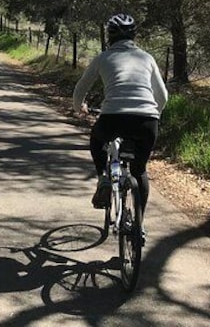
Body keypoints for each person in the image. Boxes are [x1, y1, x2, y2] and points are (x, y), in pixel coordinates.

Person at [72, 13, 168, 225]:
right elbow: (162, 96)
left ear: (109, 36)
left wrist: (80, 108)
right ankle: (139, 224)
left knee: (97, 140)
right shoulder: (147, 58)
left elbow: (80, 89)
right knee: (140, 170)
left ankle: (103, 179)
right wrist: (154, 115)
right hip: (147, 121)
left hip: (112, 118)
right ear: (134, 35)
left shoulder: (103, 58)